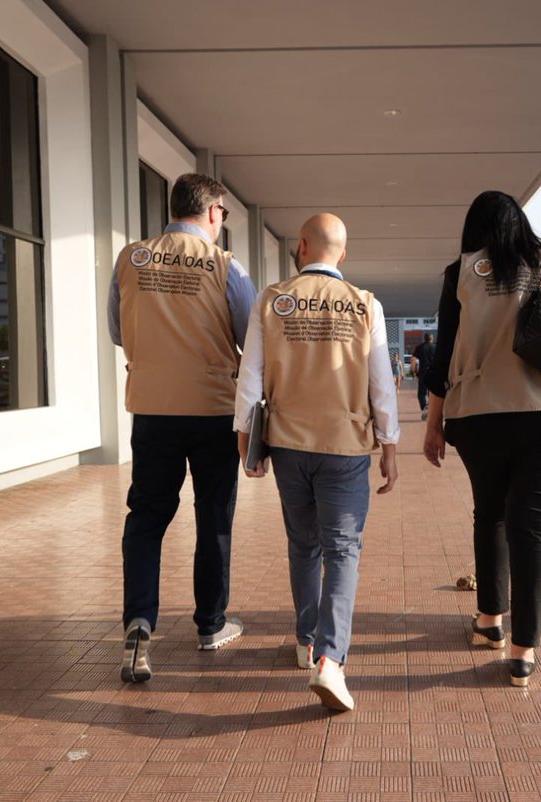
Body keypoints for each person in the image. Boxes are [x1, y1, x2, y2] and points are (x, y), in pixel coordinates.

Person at [421, 190, 541, 687]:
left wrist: (434, 423)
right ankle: (524, 652)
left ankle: (490, 623)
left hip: (481, 412)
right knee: (536, 528)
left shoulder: (460, 271)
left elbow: (441, 358)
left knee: (492, 514)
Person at [235, 213, 399, 712]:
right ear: (342, 254)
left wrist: (246, 440)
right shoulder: (365, 305)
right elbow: (381, 382)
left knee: (303, 544)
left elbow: (251, 376)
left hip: (288, 443)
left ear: (301, 246)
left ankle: (306, 640)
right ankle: (332, 660)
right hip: (345, 444)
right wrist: (390, 443)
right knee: (342, 550)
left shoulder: (271, 300)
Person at [107, 173, 257, 683]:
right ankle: (211, 625)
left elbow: (116, 330)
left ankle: (138, 623)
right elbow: (250, 337)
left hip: (151, 409)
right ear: (213, 212)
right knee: (213, 516)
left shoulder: (133, 258)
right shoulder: (225, 267)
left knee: (146, 516)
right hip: (214, 408)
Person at [412, 333, 436, 419]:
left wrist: (414, 370)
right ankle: (433, 411)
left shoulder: (420, 347)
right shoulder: (436, 347)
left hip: (423, 372)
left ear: (424, 339)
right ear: (432, 339)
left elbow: (413, 359)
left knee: (421, 393)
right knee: (433, 393)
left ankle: (425, 408)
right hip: (434, 372)